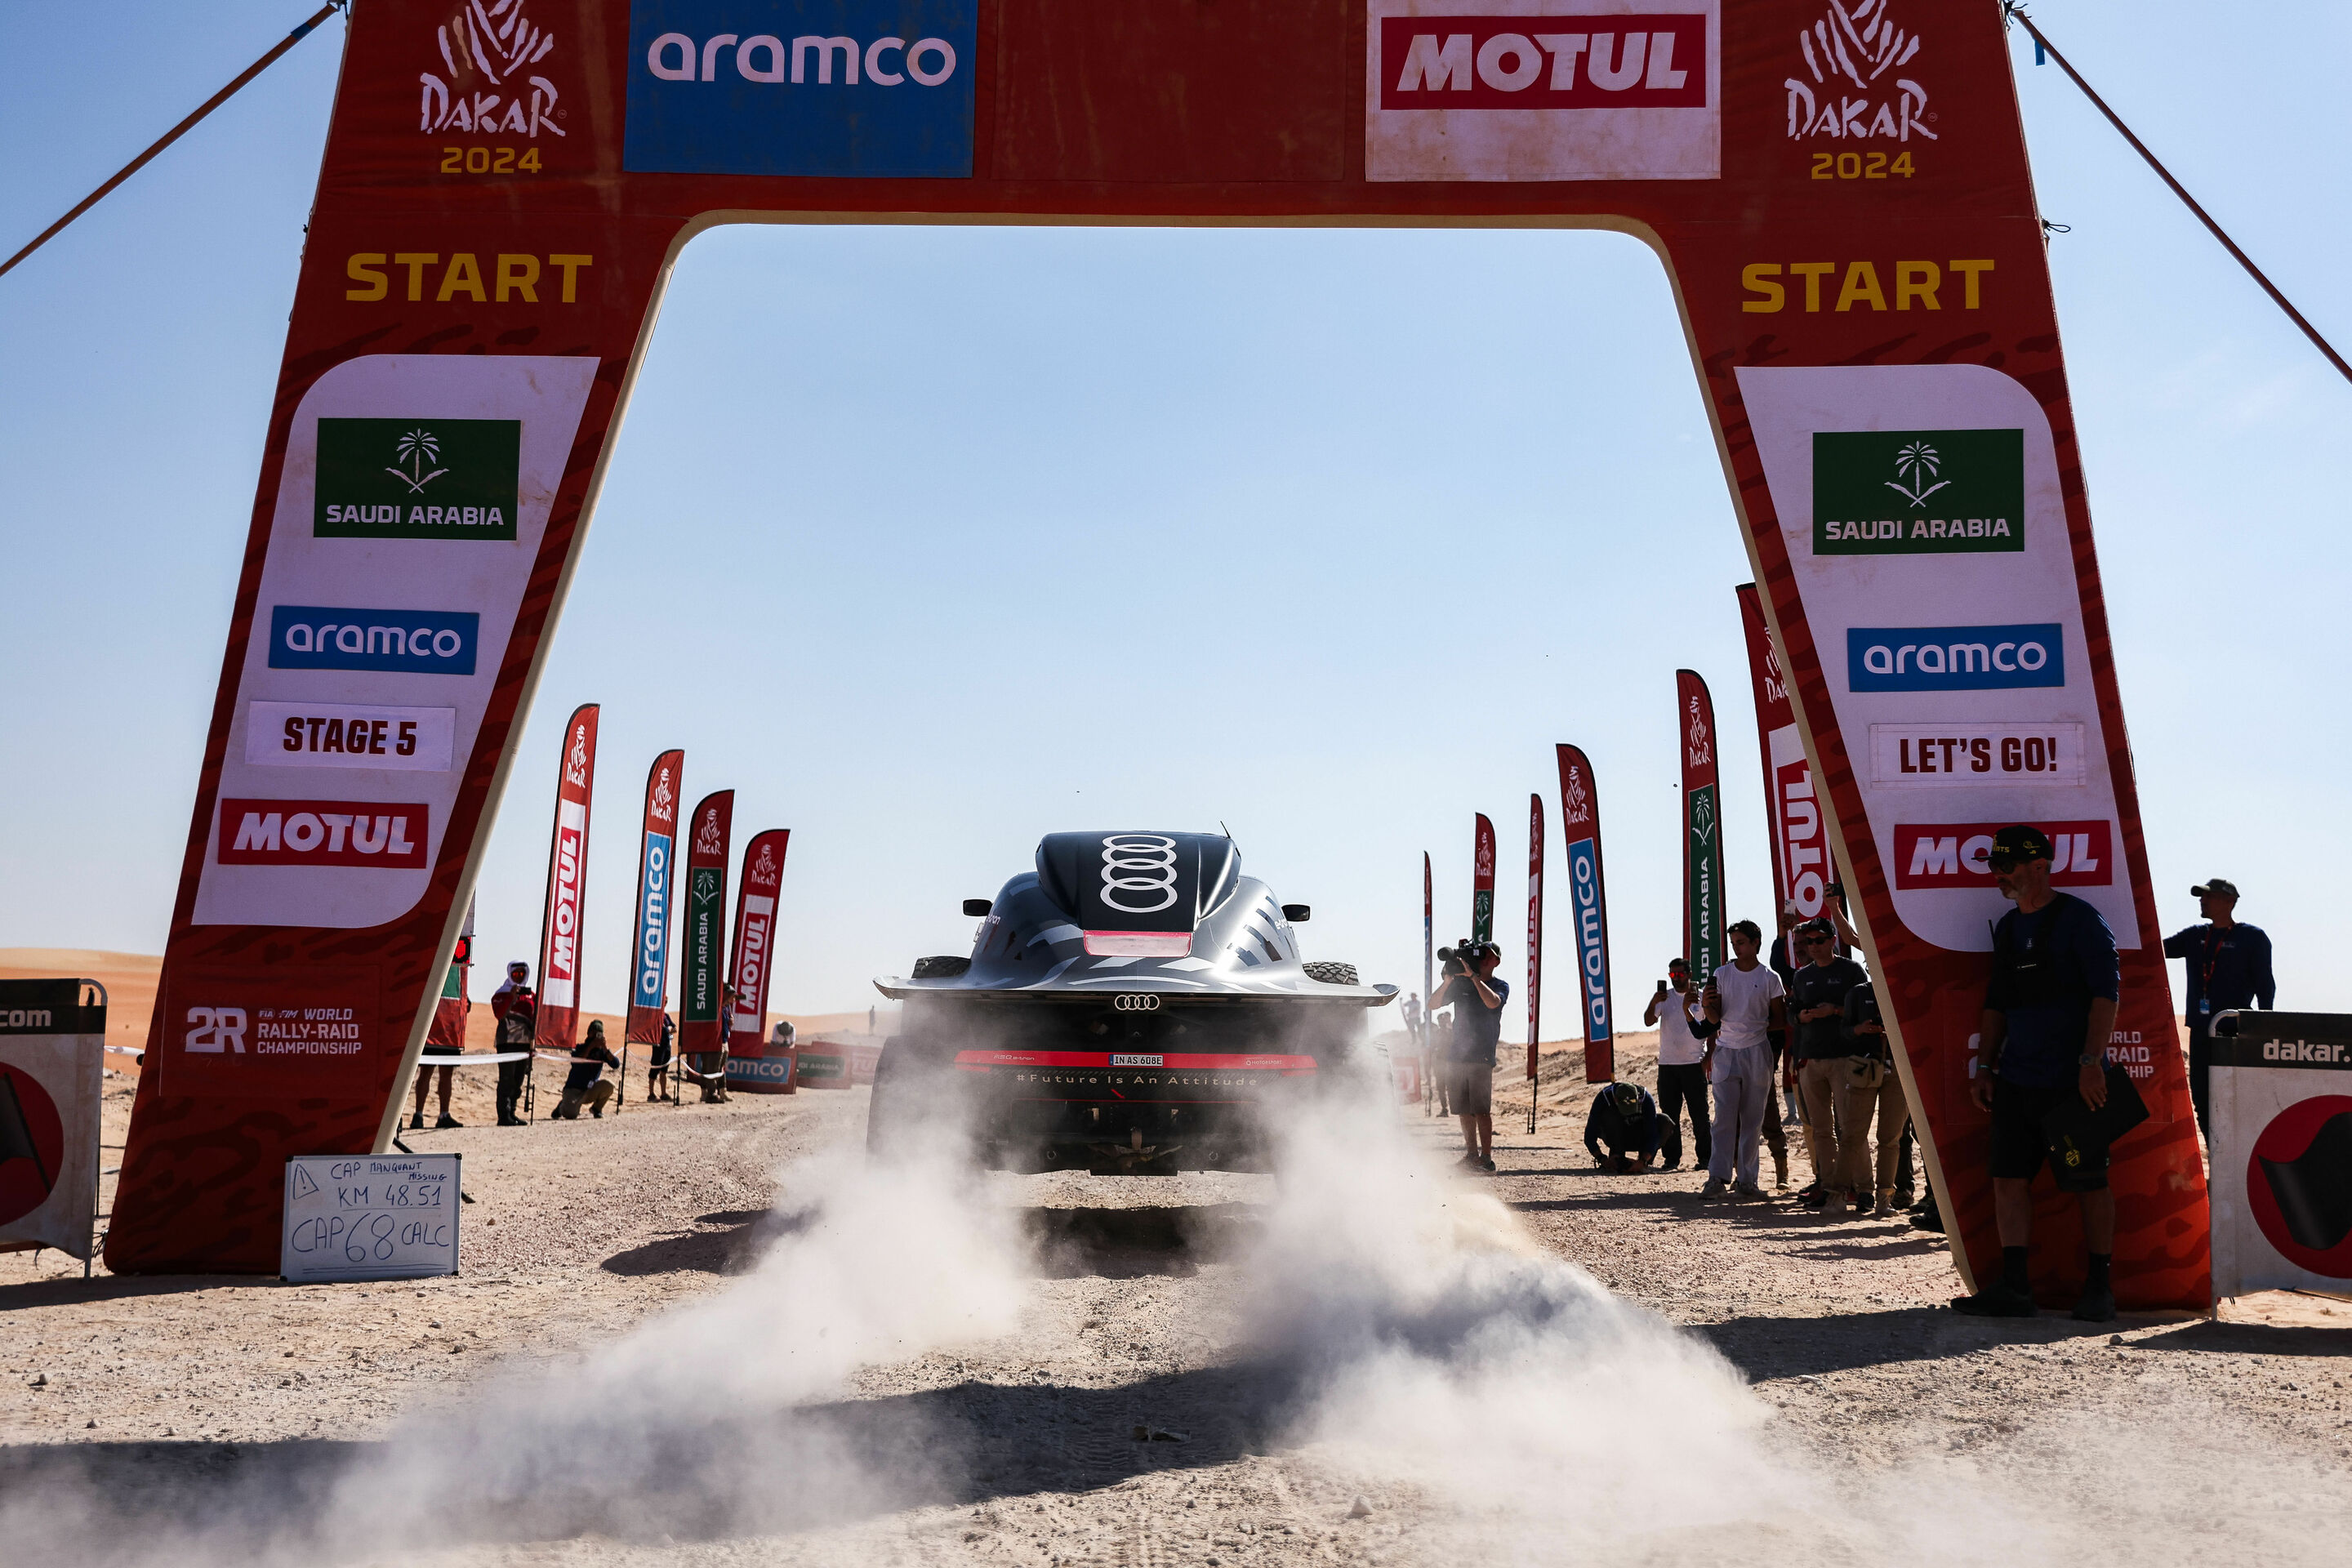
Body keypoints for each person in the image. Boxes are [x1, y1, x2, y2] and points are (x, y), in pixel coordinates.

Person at [1953, 825, 2123, 1322]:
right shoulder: (2008, 928)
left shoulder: (2080, 920)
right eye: (1994, 867)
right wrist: (1985, 1065)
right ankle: (2015, 1288)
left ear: (2040, 867)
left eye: (2006, 867)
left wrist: (2091, 1064)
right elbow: (1996, 1002)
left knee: (2089, 1182)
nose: (1998, 876)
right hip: (2017, 1080)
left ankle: (2099, 1289)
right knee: (2008, 1180)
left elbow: (2106, 995)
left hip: (2072, 1083)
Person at [2162, 877, 2274, 1135]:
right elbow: (2156, 948)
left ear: (2229, 902)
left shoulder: (2252, 937)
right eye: (2202, 897)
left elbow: (2265, 985)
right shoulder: (2195, 935)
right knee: (2201, 1097)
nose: (2202, 901)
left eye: (2208, 896)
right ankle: (2217, 1153)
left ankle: (2235, 1152)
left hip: (2233, 1032)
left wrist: (2264, 1026)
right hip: (2200, 1030)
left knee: (2232, 1098)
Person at [1695, 920, 1787, 1200]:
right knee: (1723, 1117)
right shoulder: (1722, 974)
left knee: (1752, 1118)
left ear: (1755, 943)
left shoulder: (1770, 978)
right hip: (1726, 1050)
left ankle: (1748, 1180)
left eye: (1742, 942)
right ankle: (1717, 1177)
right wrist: (1708, 1004)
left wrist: (1755, 1027)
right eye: (1734, 943)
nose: (1737, 948)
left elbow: (1780, 1019)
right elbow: (1714, 1019)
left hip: (1758, 1052)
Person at [1787, 916, 1869, 1214]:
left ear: (1833, 940)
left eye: (1819, 940)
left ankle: (1862, 1189)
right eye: (1809, 942)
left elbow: (1866, 1007)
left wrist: (1834, 1010)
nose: (1814, 946)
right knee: (1820, 1129)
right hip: (1811, 1058)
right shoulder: (1802, 976)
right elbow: (1791, 1012)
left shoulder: (1851, 970)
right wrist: (1801, 1017)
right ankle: (1831, 1186)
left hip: (1844, 1057)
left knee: (1851, 1127)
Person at [1432, 940, 1508, 1173]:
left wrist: (1475, 979)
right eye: (1481, 954)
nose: (1483, 958)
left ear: (1496, 961)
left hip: (1480, 1056)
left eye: (1488, 955)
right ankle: (1471, 1155)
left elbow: (1492, 1003)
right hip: (1457, 1056)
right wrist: (1448, 982)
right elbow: (1433, 1004)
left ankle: (1486, 1159)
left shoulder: (1499, 985)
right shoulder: (1460, 985)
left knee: (1481, 1110)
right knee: (1464, 1110)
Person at [1841, 974, 1912, 1218]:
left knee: (1891, 1137)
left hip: (1898, 1067)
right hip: (1865, 1066)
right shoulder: (1859, 993)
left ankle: (1884, 1198)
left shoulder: (1905, 990)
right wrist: (1861, 1029)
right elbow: (1844, 1031)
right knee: (1854, 1133)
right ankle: (1841, 1194)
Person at [1646, 960, 1708, 1172]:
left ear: (1690, 974)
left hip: (1693, 1064)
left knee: (1699, 1114)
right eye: (1672, 975)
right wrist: (1654, 1000)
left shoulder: (1700, 997)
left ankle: (1706, 1158)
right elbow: (1648, 1021)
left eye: (1680, 974)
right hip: (1668, 1065)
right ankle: (1672, 1159)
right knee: (1669, 1115)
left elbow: (1715, 1029)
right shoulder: (1665, 998)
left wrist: (1709, 1058)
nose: (1677, 978)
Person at [1585, 1080, 1677, 1174]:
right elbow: (1589, 1135)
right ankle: (1616, 1155)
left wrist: (1643, 1160)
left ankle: (1644, 1161)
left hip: (1637, 1133)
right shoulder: (1604, 1098)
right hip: (1614, 1133)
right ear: (1616, 1100)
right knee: (1610, 1116)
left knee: (1665, 1121)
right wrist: (1602, 1160)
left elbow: (1653, 1134)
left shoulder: (1645, 1098)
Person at [490, 960, 535, 1127]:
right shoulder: (501, 994)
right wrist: (511, 996)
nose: (519, 977)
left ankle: (512, 1113)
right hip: (507, 1042)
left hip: (524, 1044)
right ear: (510, 974)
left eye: (522, 974)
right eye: (516, 974)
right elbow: (500, 1014)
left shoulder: (531, 996)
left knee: (518, 1080)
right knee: (506, 1079)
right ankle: (503, 1115)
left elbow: (535, 1018)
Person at [553, 1018, 621, 1120]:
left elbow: (616, 1064)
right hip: (573, 1090)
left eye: (599, 1035)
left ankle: (596, 1109)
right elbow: (577, 1063)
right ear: (589, 1034)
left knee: (609, 1086)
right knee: (570, 1115)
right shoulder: (579, 1048)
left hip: (589, 1091)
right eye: (594, 1034)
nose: (596, 1037)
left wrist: (605, 1048)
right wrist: (590, 1047)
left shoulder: (602, 1052)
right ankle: (561, 1107)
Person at [648, 1012, 675, 1102]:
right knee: (655, 1069)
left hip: (667, 1045)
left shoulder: (666, 1015)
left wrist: (669, 1030)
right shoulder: (654, 1015)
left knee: (664, 1070)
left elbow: (674, 1027)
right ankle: (651, 1094)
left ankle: (663, 1093)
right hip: (658, 1045)